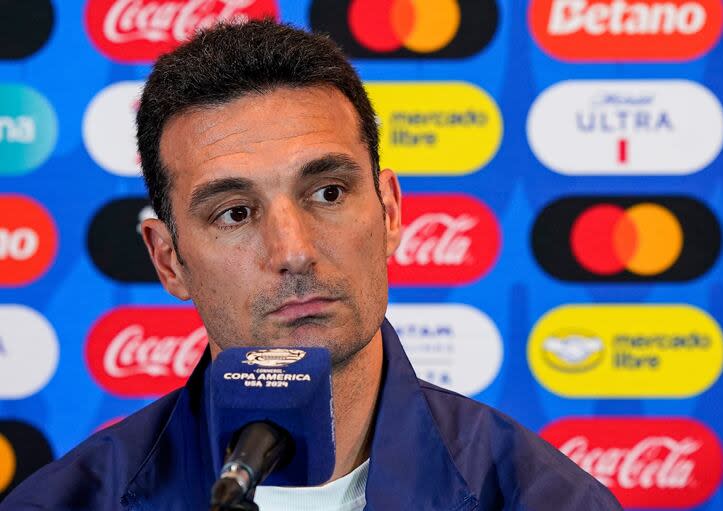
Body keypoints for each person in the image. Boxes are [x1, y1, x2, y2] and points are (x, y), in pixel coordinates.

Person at [0, 20, 623, 511]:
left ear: (390, 211)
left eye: (327, 192)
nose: (293, 250)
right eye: (236, 213)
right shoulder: (62, 502)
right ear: (170, 262)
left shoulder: (544, 498)